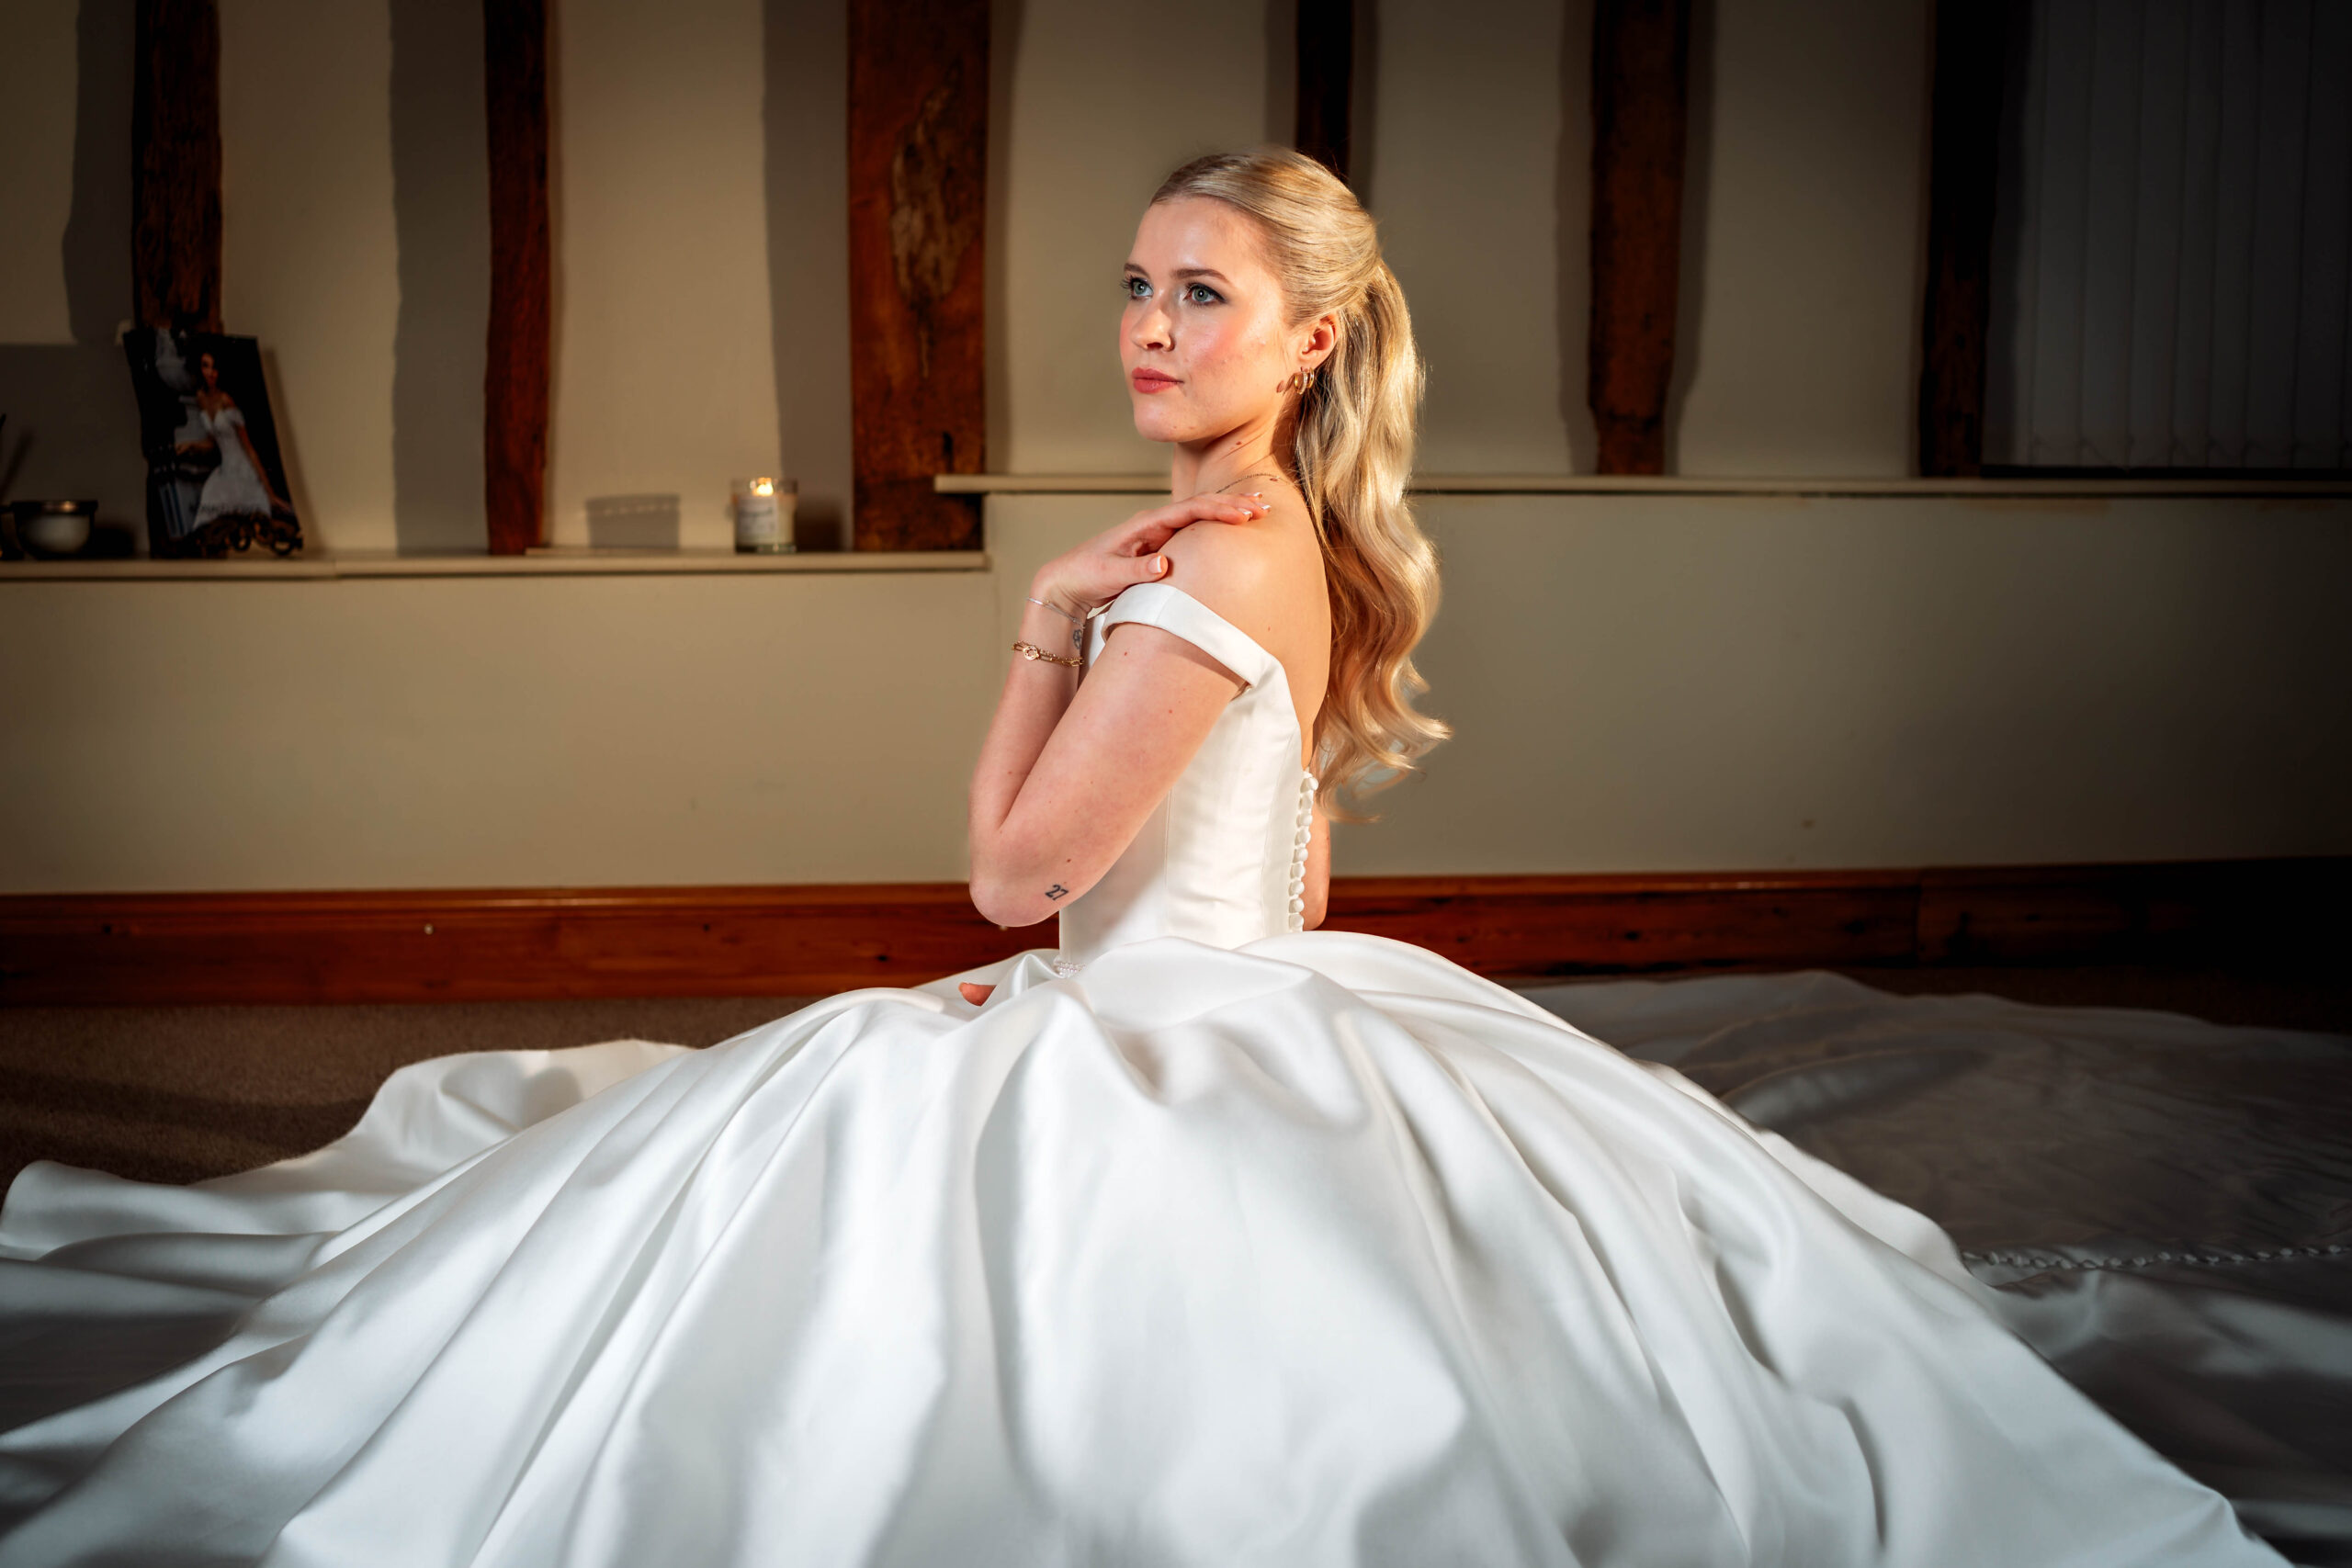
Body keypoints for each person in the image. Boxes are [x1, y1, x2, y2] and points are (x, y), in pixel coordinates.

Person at [0, 151, 2281, 1566]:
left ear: (1304, 339)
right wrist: (1100, 950)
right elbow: (1273, 898)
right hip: (1242, 988)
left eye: (1199, 293)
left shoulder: (1200, 562)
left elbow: (1004, 877)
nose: (1148, 324)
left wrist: (1030, 630)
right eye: (1134, 283)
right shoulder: (1274, 537)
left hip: (1157, 1008)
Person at [184, 350, 292, 533]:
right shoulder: (200, 398)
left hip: (243, 471)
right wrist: (190, 444)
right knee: (209, 517)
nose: (210, 372)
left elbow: (249, 448)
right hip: (225, 471)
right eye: (205, 366)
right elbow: (212, 442)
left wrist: (269, 491)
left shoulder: (226, 400)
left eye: (214, 368)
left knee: (259, 523)